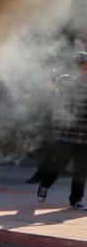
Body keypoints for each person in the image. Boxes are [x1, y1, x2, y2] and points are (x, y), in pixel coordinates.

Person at [37, 51, 87, 209]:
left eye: (83, 63)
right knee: (59, 165)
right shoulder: (63, 80)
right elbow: (56, 98)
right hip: (66, 134)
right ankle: (44, 185)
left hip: (84, 134)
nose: (82, 66)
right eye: (79, 63)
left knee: (81, 169)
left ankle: (76, 200)